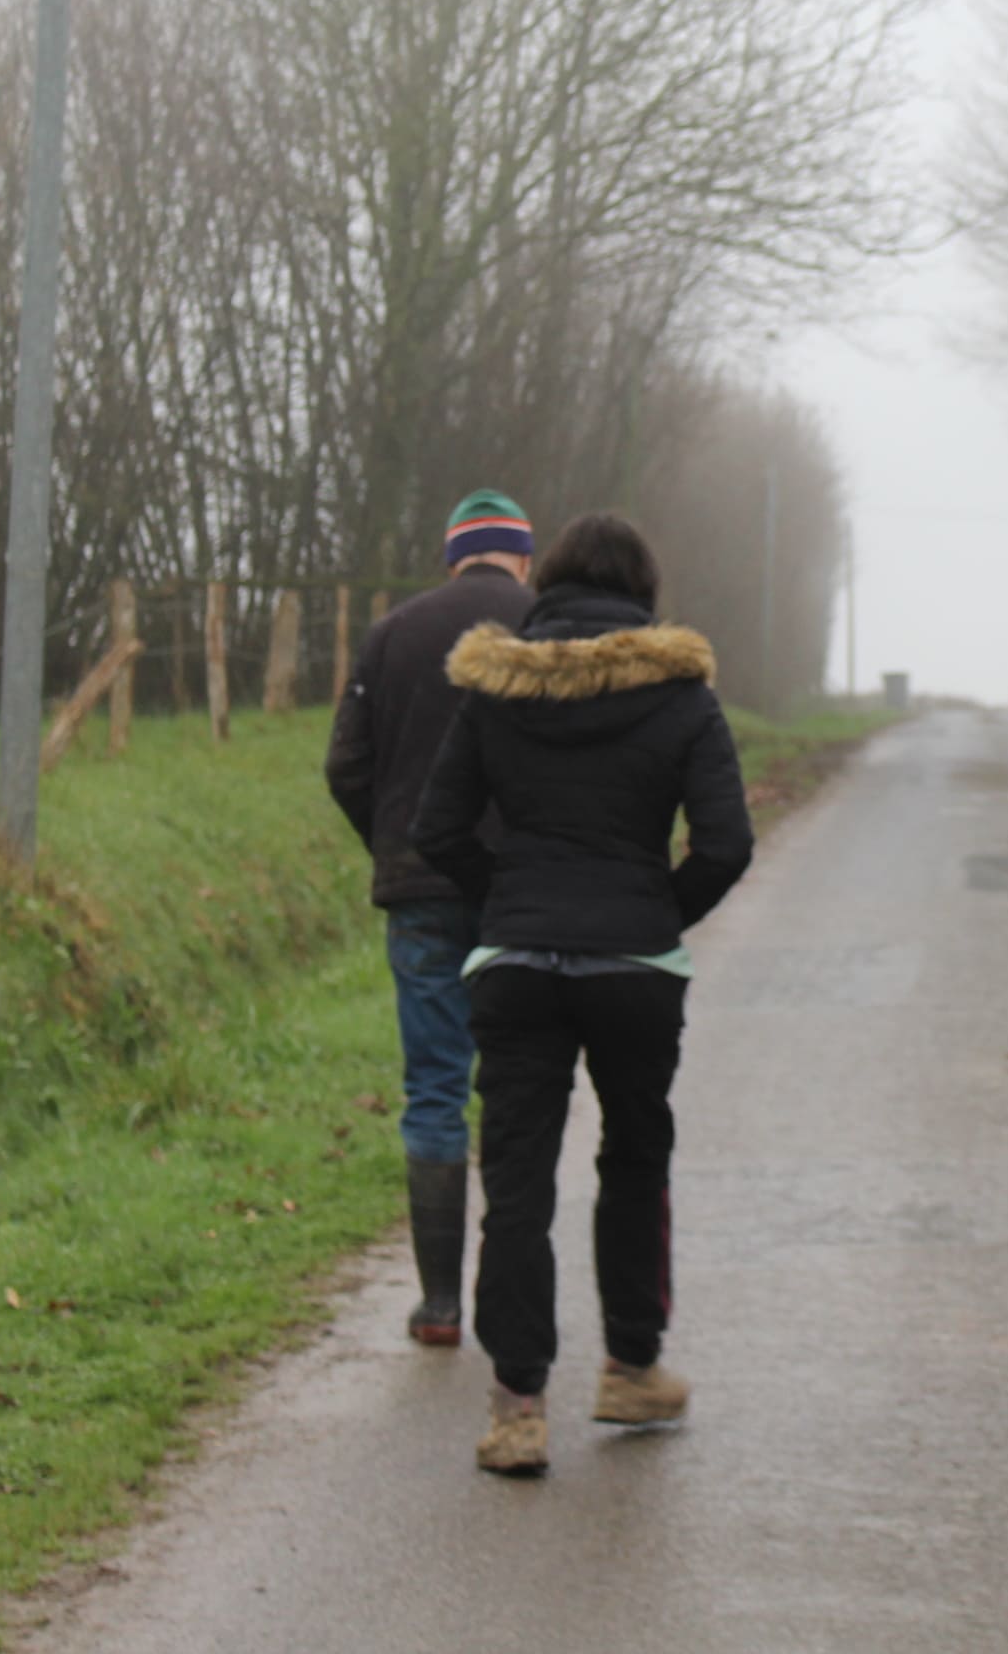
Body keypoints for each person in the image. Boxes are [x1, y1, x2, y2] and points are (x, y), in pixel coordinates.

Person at [414, 510, 752, 1477]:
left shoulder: (496, 689)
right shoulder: (683, 695)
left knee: (516, 1183)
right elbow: (725, 844)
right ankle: (630, 1368)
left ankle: (517, 1408)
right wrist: (656, 912)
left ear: (547, 587)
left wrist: (504, 905)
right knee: (635, 1159)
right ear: (643, 593)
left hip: (517, 963)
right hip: (633, 968)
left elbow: (439, 830)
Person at [326, 489, 540, 1346]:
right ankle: (509, 1293)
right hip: (524, 893)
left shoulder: (394, 632)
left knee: (436, 1090)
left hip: (420, 891)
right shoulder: (548, 625)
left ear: (454, 555)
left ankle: (440, 1303)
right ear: (522, 556)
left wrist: (395, 841)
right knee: (520, 1090)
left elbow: (347, 764)